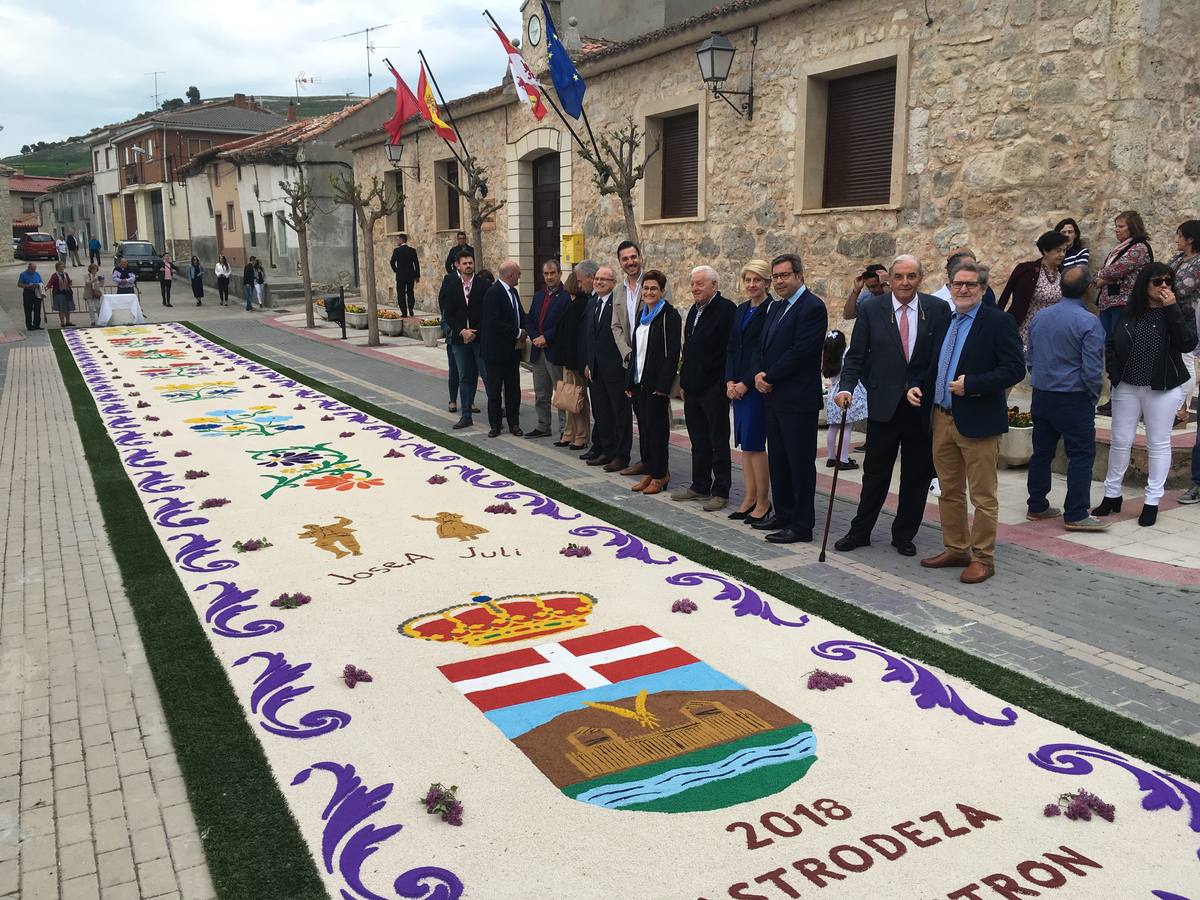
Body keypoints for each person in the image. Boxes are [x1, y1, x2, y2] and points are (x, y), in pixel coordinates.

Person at [906, 261, 1025, 583]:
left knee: (983, 496)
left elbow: (1015, 369)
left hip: (979, 422)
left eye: (970, 285)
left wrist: (971, 384)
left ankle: (983, 558)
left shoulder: (998, 322)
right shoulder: (946, 321)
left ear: (983, 289)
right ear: (950, 286)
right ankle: (957, 548)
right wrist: (918, 386)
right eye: (958, 284)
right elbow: (932, 365)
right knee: (949, 491)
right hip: (941, 419)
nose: (963, 289)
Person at [834, 254, 950, 555]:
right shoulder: (872, 309)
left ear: (920, 279)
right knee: (875, 473)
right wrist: (845, 387)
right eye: (899, 276)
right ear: (891, 279)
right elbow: (857, 355)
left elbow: (940, 360)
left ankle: (904, 534)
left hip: (919, 408)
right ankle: (861, 531)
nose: (905, 282)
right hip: (883, 405)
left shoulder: (937, 310)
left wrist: (919, 385)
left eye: (911, 276)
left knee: (916, 475)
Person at [1093, 263, 1198, 527]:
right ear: (1145, 284)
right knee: (1120, 440)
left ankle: (1152, 501)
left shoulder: (1178, 310)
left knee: (1158, 443)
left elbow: (1188, 342)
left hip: (1162, 388)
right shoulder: (1131, 310)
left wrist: (1171, 308)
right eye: (1157, 282)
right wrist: (1114, 375)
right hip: (1127, 385)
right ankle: (1111, 494)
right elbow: (1112, 342)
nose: (1164, 286)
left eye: (1168, 281)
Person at [751, 254, 828, 544]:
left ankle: (801, 524)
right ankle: (782, 514)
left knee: (799, 463)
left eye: (785, 275)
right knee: (779, 461)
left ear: (799, 275)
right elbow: (763, 345)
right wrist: (759, 373)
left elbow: (801, 351)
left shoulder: (812, 307)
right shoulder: (775, 307)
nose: (780, 281)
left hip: (797, 400)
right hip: (773, 397)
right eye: (776, 277)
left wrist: (769, 377)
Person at [1025, 266, 1108, 531]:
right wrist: (1092, 396)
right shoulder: (1089, 322)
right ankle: (1076, 513)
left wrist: (1039, 378)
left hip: (1042, 394)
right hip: (1072, 396)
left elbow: (1030, 355)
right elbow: (1092, 368)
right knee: (1081, 454)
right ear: (1087, 290)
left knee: (1041, 452)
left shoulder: (1041, 317)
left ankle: (1036, 505)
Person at [673, 266, 736, 511]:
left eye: (700, 284)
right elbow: (688, 350)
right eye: (692, 284)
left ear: (714, 285)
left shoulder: (726, 310)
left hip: (714, 388)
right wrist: (685, 382)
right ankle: (699, 485)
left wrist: (723, 382)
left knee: (717, 440)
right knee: (698, 440)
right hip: (693, 388)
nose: (694, 288)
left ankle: (720, 491)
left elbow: (728, 350)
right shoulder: (694, 310)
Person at [725, 259, 773, 523]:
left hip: (755, 387)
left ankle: (763, 502)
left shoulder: (770, 310)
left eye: (757, 280)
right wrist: (729, 381)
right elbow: (732, 347)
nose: (752, 285)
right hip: (738, 387)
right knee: (744, 445)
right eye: (748, 280)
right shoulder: (741, 309)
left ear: (767, 283)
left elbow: (761, 352)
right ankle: (749, 496)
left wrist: (744, 382)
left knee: (755, 443)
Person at [625, 270, 681, 496]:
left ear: (662, 291)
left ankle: (660, 475)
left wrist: (663, 386)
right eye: (646, 288)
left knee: (658, 432)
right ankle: (649, 469)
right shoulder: (642, 314)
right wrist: (630, 381)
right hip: (640, 383)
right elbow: (637, 350)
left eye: (653, 289)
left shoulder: (669, 315)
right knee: (645, 430)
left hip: (656, 385)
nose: (649, 292)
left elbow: (672, 353)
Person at [581, 265, 627, 469]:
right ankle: (606, 451)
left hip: (615, 369)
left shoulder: (617, 304)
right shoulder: (592, 303)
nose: (599, 282)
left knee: (619, 414)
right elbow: (589, 337)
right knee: (601, 413)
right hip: (596, 369)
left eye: (604, 280)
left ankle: (621, 455)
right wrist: (588, 363)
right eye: (597, 278)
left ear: (613, 284)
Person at [609, 241, 648, 475]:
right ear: (620, 262)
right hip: (629, 361)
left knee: (650, 416)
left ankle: (652, 462)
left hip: (649, 360)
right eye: (625, 259)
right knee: (633, 412)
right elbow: (616, 326)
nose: (630, 262)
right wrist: (627, 353)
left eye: (633, 257)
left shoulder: (654, 282)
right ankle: (635, 458)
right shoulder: (618, 291)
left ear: (640, 257)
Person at [438, 250, 489, 428]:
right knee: (464, 377)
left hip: (480, 339)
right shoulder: (452, 286)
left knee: (487, 376)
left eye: (470, 262)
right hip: (460, 341)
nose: (468, 265)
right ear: (457, 265)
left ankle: (495, 417)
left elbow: (488, 313)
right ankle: (466, 415)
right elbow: (449, 314)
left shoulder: (484, 285)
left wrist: (475, 332)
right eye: (465, 263)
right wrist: (462, 331)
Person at [550, 261, 597, 450]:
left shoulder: (580, 304)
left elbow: (576, 337)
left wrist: (573, 362)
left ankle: (581, 435)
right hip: (568, 359)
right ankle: (570, 433)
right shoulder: (573, 304)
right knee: (569, 399)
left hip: (575, 361)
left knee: (577, 399)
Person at [998, 230, 1069, 347]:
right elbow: (1006, 295)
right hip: (1028, 328)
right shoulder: (1027, 270)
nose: (1062, 254)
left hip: (1054, 328)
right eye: (1058, 251)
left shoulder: (1064, 273)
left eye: (1064, 250)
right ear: (1046, 251)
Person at [480, 260, 526, 437]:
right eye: (518, 273)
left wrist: (524, 330)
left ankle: (514, 423)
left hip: (512, 351)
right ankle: (495, 425)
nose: (520, 276)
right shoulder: (493, 293)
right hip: (495, 352)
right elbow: (494, 322)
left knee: (513, 389)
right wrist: (517, 333)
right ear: (510, 275)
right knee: (494, 390)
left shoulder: (513, 292)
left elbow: (520, 315)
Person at [525, 259, 569, 439]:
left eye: (553, 273)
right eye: (546, 274)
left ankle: (565, 429)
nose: (549, 277)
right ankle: (543, 425)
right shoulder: (538, 296)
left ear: (559, 274)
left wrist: (546, 337)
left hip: (555, 351)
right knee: (541, 392)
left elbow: (564, 324)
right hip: (538, 351)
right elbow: (530, 319)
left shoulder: (567, 297)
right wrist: (535, 337)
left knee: (560, 393)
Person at [1167, 220, 1200, 428]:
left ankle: (1181, 409)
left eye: (1180, 235)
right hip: (1171, 313)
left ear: (1191, 239)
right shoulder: (1178, 258)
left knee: (1187, 359)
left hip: (1188, 315)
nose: (1177, 239)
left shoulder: (1198, 262)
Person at [823, 331, 865, 470]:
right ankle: (843, 459)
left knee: (833, 427)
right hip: (845, 392)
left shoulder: (827, 357)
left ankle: (831, 457)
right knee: (846, 426)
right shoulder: (846, 353)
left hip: (833, 395)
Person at [932, 249, 997, 307]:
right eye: (966, 267)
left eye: (971, 284)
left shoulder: (986, 294)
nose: (963, 290)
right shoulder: (933, 302)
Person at [390, 233, 420, 316]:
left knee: (401, 293)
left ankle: (404, 312)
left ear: (402, 240)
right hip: (411, 275)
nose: (397, 241)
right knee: (410, 292)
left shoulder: (397, 251)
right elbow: (416, 264)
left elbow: (392, 262)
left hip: (400, 276)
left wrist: (396, 270)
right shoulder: (412, 250)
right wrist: (417, 275)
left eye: (398, 239)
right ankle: (410, 308)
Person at [48, 262, 75, 328]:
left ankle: (68, 322)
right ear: (57, 268)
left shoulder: (65, 274)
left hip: (67, 293)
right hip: (59, 294)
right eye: (61, 267)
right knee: (61, 309)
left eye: (63, 267)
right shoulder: (54, 275)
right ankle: (62, 323)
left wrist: (70, 283)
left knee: (67, 308)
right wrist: (45, 288)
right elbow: (50, 283)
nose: (62, 268)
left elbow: (68, 282)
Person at [18, 263, 44, 331]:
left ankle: (36, 325)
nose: (33, 270)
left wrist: (38, 285)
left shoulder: (37, 274)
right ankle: (29, 326)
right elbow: (19, 284)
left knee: (37, 309)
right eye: (32, 269)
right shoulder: (23, 274)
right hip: (28, 293)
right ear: (28, 268)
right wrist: (28, 286)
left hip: (36, 292)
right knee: (28, 310)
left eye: (34, 269)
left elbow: (41, 282)